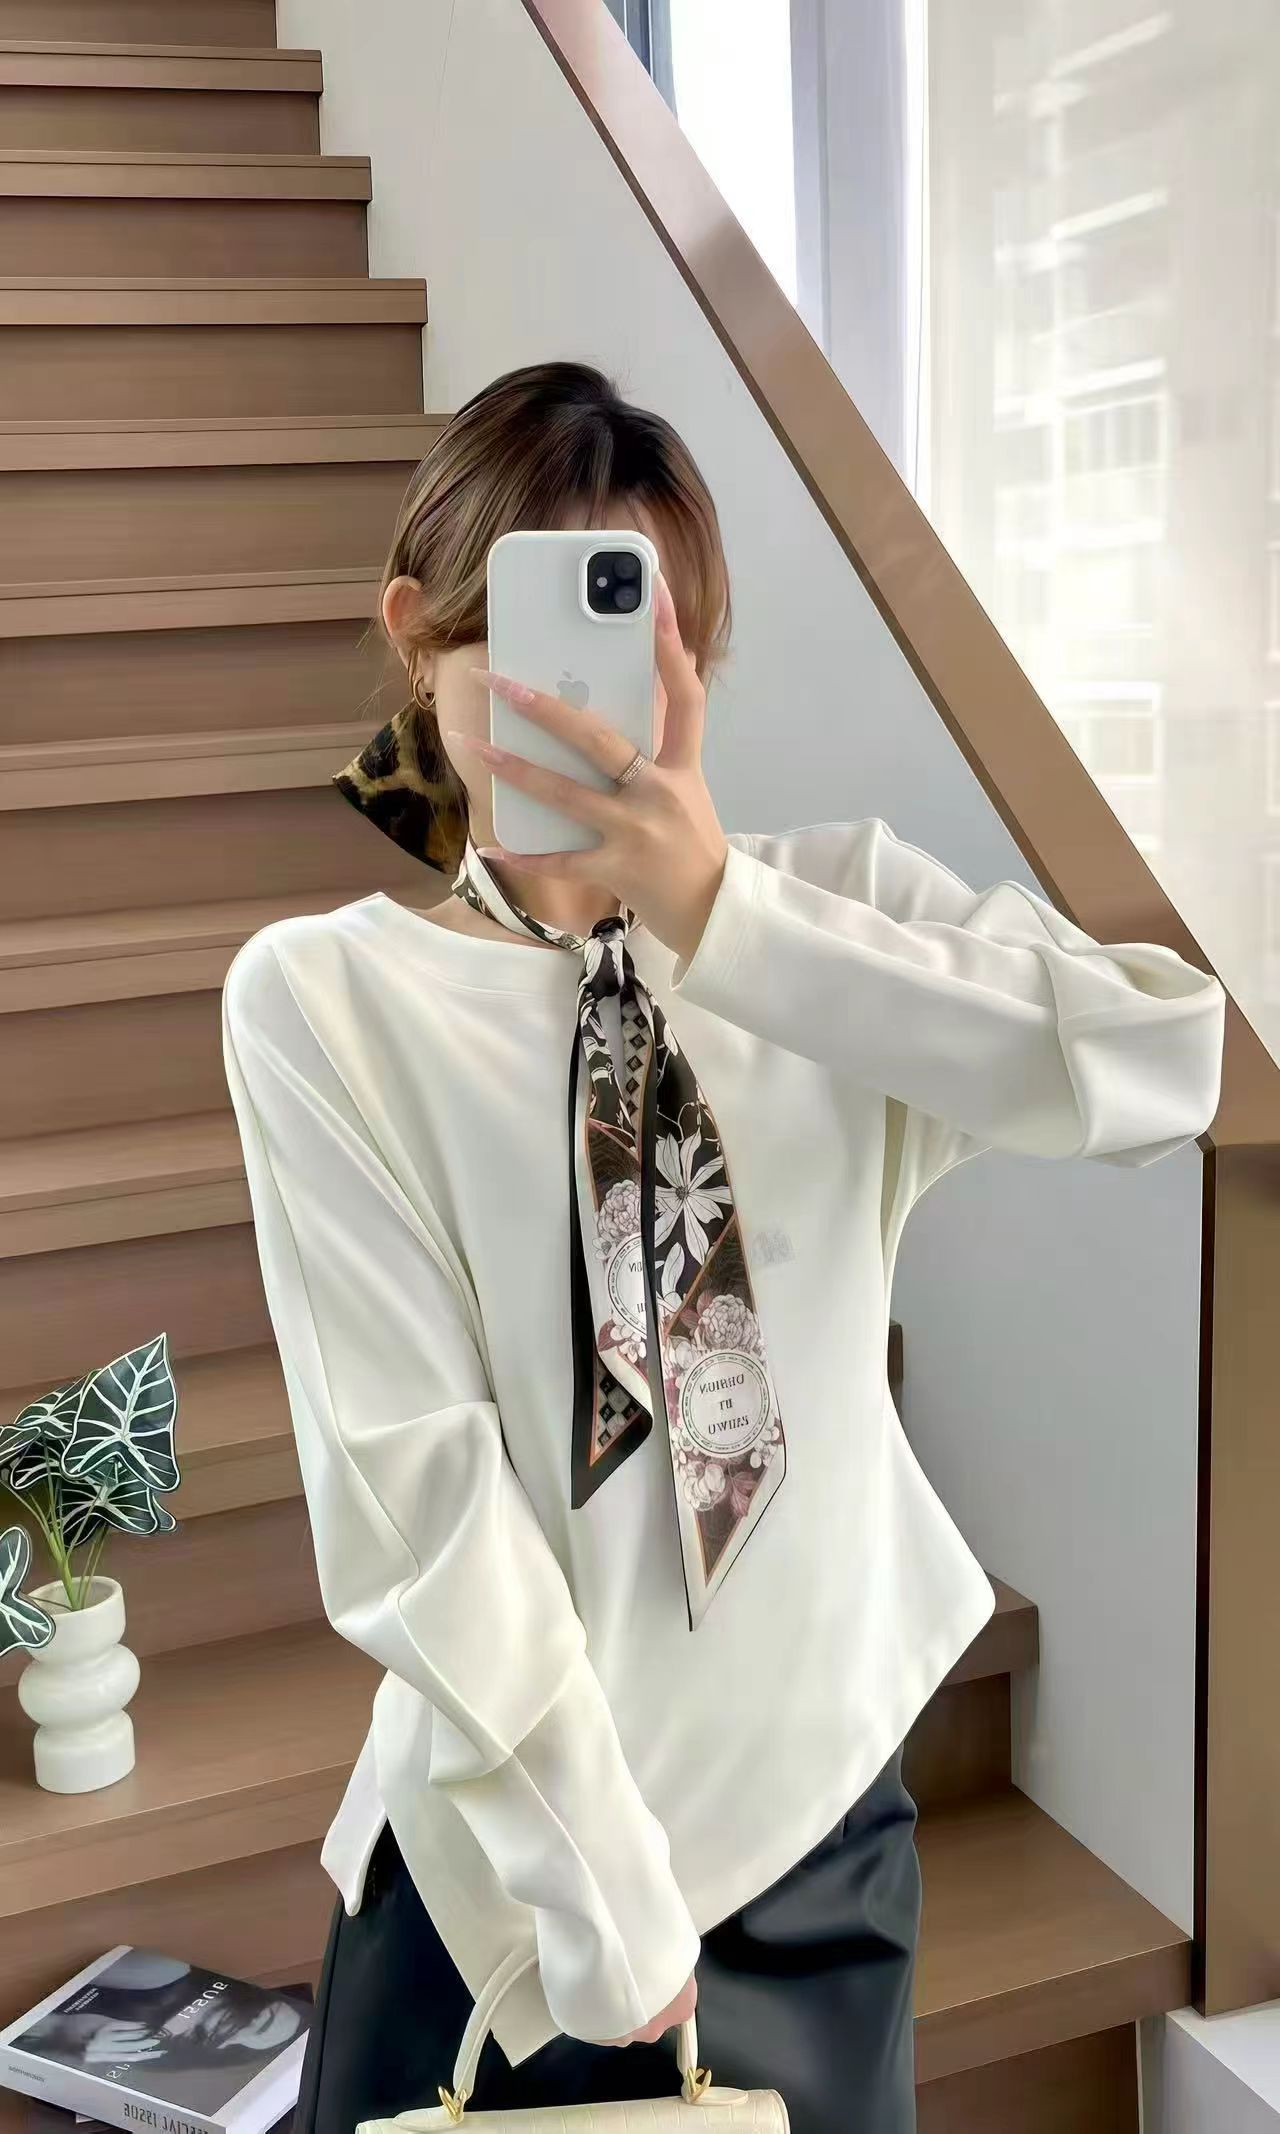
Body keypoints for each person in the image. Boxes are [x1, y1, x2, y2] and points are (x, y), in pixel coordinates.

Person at [221, 362, 1226, 2134]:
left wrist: (727, 917)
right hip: (506, 1892)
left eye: (627, 639)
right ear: (417, 638)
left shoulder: (827, 921)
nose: (573, 704)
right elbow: (418, 1496)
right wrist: (605, 1900)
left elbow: (1164, 1058)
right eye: (525, 638)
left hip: (819, 1841)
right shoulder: (327, 1002)